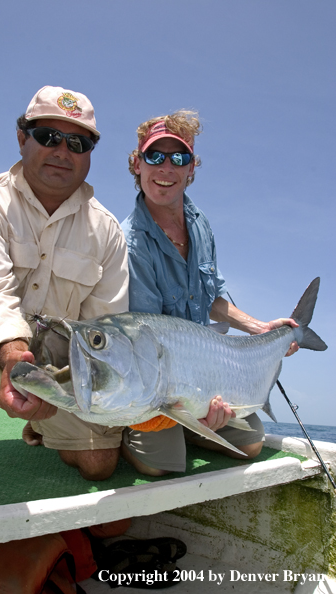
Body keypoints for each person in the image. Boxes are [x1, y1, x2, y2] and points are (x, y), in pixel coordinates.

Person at [0, 85, 129, 480]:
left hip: (59, 367)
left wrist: (54, 385)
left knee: (99, 466)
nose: (63, 151)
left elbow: (101, 332)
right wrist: (12, 360)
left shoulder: (109, 232)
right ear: (22, 138)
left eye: (78, 143)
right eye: (48, 137)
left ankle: (43, 422)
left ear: (90, 153)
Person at [121, 110, 298, 476]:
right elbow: (151, 336)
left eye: (178, 158)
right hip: (157, 386)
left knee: (249, 445)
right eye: (155, 156)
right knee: (163, 466)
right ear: (137, 165)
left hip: (203, 373)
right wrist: (189, 404)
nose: (166, 168)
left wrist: (260, 329)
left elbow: (213, 297)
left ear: (191, 169)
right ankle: (121, 430)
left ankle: (193, 428)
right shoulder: (131, 241)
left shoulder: (200, 223)